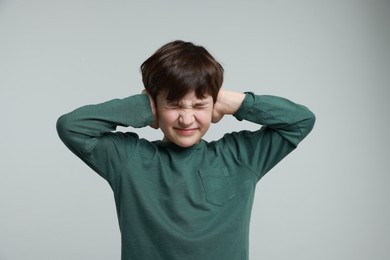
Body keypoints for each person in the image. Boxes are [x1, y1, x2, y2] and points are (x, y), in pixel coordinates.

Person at [56, 40, 315, 260]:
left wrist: (234, 102)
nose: (187, 119)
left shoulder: (239, 157)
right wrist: (144, 107)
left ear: (214, 106)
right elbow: (72, 126)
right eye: (174, 105)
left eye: (199, 105)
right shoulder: (128, 160)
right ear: (155, 105)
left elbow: (300, 121)